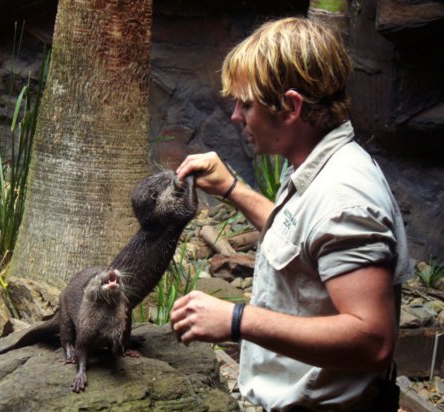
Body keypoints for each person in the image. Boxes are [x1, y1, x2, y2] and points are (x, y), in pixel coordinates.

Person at [169, 17, 411, 412]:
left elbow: (373, 341)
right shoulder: (313, 162)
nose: (235, 116)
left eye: (246, 104)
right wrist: (233, 189)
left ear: (292, 106)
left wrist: (235, 320)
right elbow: (303, 242)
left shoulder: (344, 197)